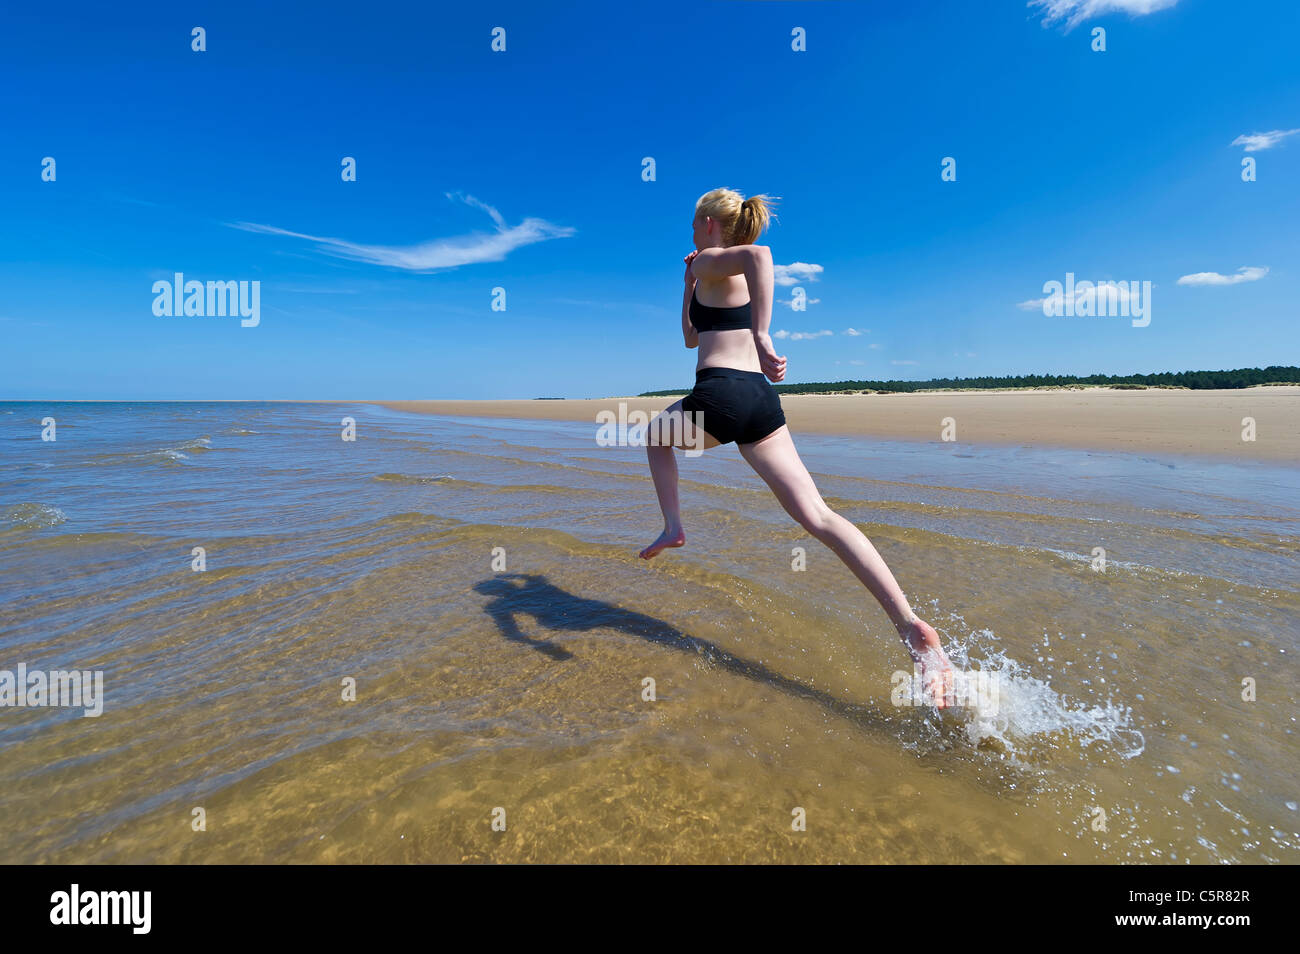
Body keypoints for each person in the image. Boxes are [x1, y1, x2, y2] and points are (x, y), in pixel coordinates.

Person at [639, 187, 955, 708]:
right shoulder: (710, 271)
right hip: (759, 403)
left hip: (719, 392)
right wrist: (688, 281)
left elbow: (761, 256)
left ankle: (674, 525)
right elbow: (691, 337)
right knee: (820, 516)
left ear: (709, 225)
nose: (692, 236)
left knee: (654, 437)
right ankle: (911, 626)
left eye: (695, 226)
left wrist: (763, 334)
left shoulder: (721, 258)